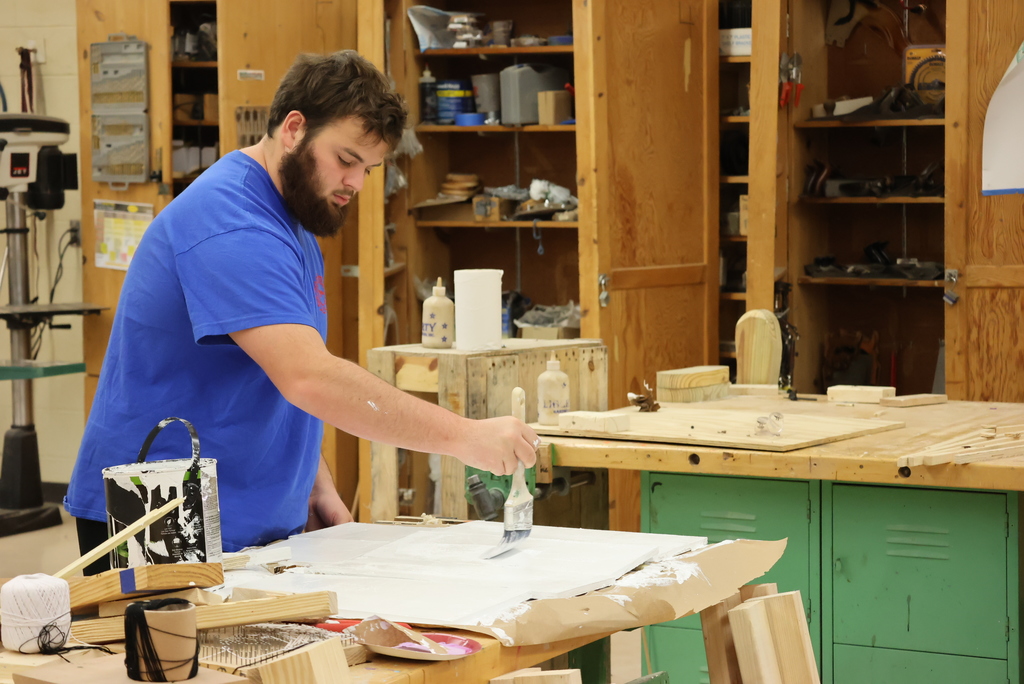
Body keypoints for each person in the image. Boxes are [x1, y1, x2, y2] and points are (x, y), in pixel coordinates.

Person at [64, 50, 538, 572]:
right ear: (294, 129)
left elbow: (273, 371)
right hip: (157, 510)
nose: (356, 183)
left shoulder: (290, 215)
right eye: (346, 159)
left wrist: (314, 481)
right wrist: (465, 436)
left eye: (369, 168)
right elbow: (309, 377)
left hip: (238, 507)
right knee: (183, 656)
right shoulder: (232, 223)